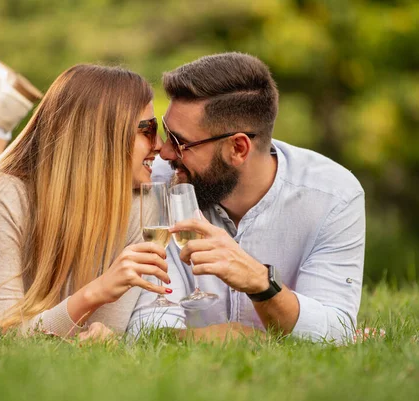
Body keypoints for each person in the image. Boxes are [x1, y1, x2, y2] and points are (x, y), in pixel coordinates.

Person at [130, 52, 365, 343]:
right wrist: (238, 338)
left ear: (238, 149)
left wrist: (260, 282)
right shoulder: (159, 184)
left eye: (179, 142)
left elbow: (336, 332)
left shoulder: (334, 197)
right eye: (166, 134)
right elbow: (147, 330)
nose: (164, 153)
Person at [0, 62, 171, 339]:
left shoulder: (141, 204)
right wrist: (95, 293)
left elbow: (102, 333)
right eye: (148, 130)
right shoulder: (5, 195)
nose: (160, 145)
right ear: (99, 137)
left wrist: (99, 337)